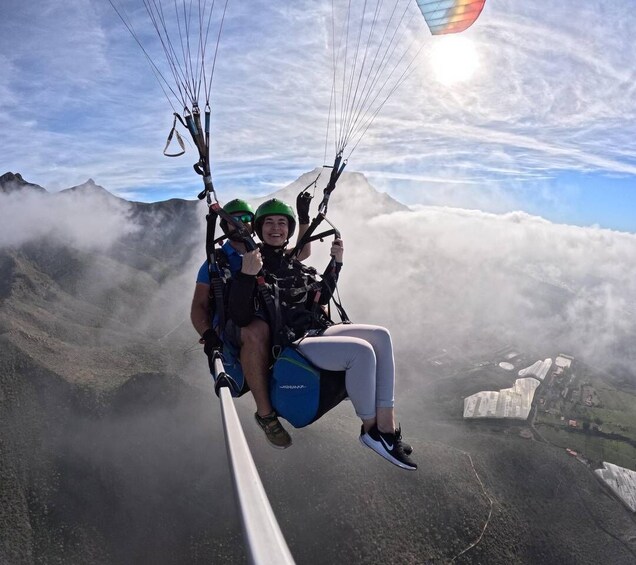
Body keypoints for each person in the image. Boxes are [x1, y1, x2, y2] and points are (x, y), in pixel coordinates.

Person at [228, 198, 417, 471]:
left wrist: (336, 263)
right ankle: (371, 431)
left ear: (290, 229)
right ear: (258, 228)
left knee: (380, 335)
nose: (276, 228)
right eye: (268, 222)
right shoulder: (253, 263)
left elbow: (320, 296)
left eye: (282, 223)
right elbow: (241, 317)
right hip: (294, 341)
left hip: (317, 329)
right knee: (360, 351)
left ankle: (386, 427)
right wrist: (246, 276)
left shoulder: (292, 262)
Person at [190, 196, 312, 449]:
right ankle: (266, 414)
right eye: (234, 221)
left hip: (270, 317)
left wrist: (304, 220)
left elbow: (300, 254)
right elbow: (199, 305)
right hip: (235, 324)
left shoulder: (261, 252)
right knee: (255, 332)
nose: (241, 225)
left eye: (246, 219)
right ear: (225, 227)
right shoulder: (216, 262)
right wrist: (208, 334)